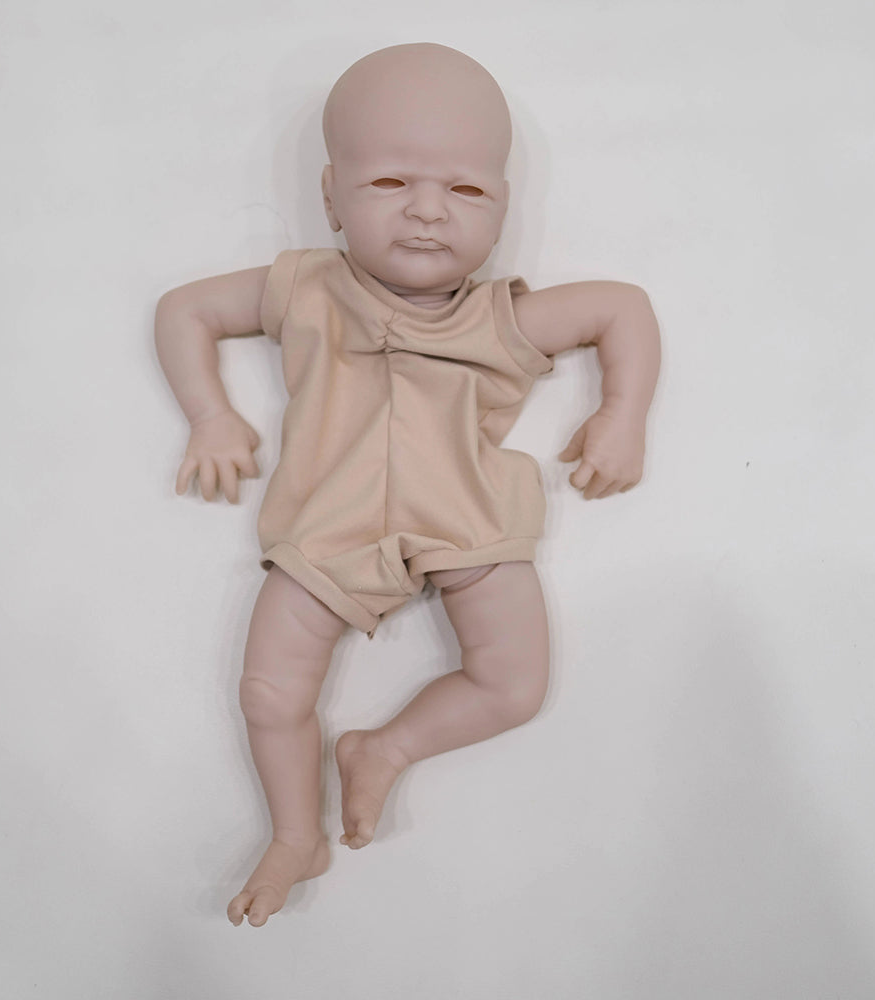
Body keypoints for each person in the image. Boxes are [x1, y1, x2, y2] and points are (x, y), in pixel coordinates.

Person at [154, 43, 660, 928]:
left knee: (513, 685)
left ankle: (385, 748)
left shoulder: (500, 317)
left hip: (468, 522)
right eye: (390, 183)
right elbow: (183, 309)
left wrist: (623, 415)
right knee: (268, 694)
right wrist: (210, 416)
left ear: (503, 207)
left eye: (466, 190)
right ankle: (293, 835)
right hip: (324, 531)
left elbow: (623, 308)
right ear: (330, 197)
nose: (428, 211)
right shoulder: (309, 290)